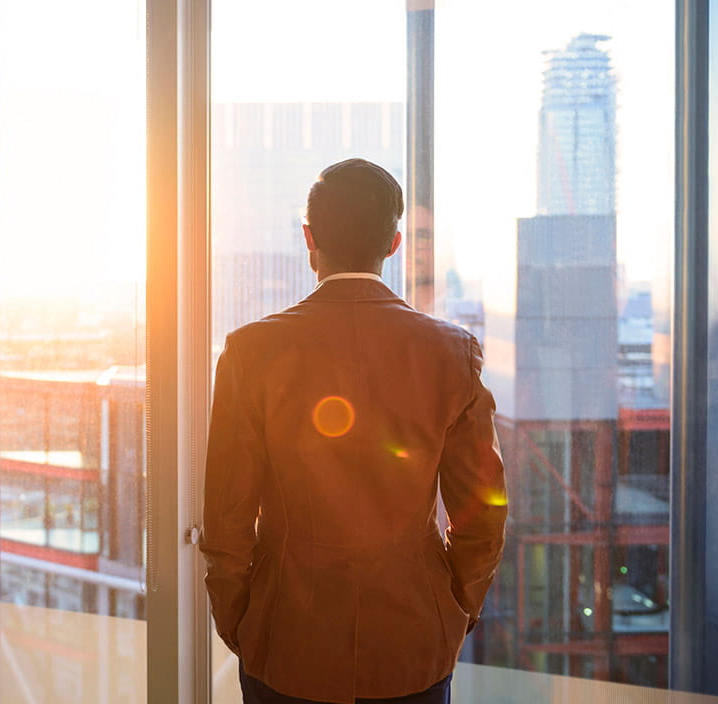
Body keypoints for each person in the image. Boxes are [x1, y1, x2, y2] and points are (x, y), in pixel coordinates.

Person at [200, 158, 507, 704]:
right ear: (393, 244)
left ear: (309, 238)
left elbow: (226, 520)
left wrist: (241, 623)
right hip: (413, 644)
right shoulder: (452, 353)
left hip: (285, 642)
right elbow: (483, 515)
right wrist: (454, 609)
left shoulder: (251, 353)